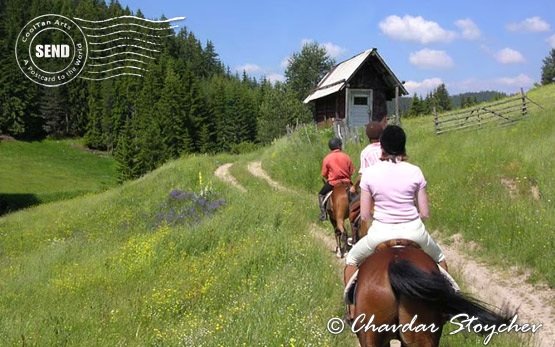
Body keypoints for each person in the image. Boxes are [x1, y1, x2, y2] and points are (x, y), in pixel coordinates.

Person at [344, 125, 448, 290]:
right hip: (414, 232)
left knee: (351, 260)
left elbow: (364, 215)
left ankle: (351, 311)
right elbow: (425, 213)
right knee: (440, 259)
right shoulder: (415, 171)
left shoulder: (370, 174)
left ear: (382, 148)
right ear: (403, 146)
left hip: (380, 234)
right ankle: (446, 304)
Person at [318, 137, 355, 221]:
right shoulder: (346, 156)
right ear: (339, 146)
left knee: (321, 194)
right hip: (347, 182)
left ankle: (323, 214)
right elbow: (351, 171)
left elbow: (324, 174)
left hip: (333, 183)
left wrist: (329, 177)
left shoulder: (327, 158)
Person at [350, 121, 384, 195]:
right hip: (391, 183)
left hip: (374, 187)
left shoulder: (365, 152)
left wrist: (354, 187)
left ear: (368, 135)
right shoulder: (387, 147)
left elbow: (362, 175)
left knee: (354, 205)